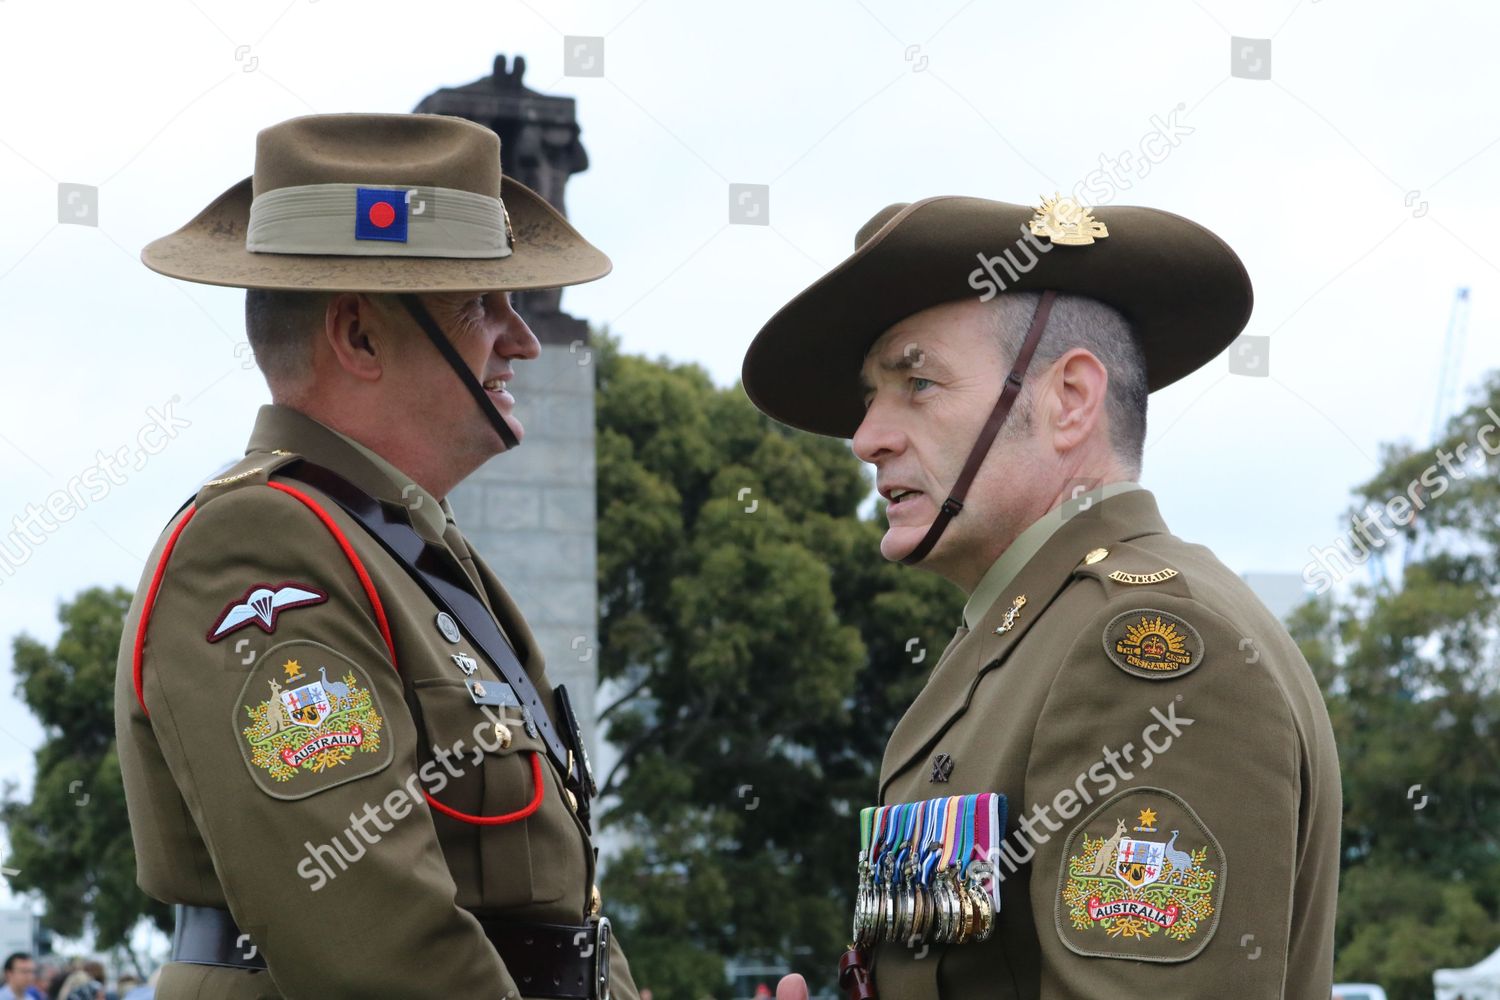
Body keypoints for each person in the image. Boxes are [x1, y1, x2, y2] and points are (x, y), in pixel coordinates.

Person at [744, 195, 1340, 997]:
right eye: (870, 397)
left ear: (1069, 401)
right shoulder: (1027, 635)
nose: (865, 438)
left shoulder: (1144, 645)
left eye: (917, 383)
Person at [115, 112, 637, 998]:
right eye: (483, 305)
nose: (522, 339)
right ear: (359, 337)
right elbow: (377, 946)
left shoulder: (409, 555)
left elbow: (564, 907)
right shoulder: (261, 548)